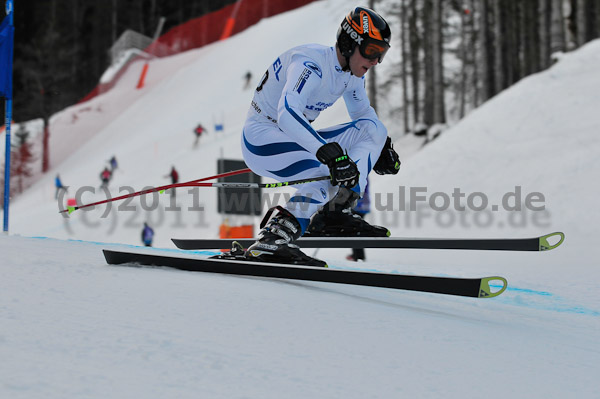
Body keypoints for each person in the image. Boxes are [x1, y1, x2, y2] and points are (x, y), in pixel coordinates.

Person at [238, 7, 400, 267]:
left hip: (293, 137)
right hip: (262, 138)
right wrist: (328, 154)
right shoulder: (310, 64)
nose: (375, 61)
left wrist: (381, 147)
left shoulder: (351, 74)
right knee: (328, 172)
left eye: (381, 53)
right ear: (349, 43)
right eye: (371, 51)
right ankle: (276, 234)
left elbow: (364, 116)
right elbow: (287, 113)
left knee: (374, 130)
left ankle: (335, 211)